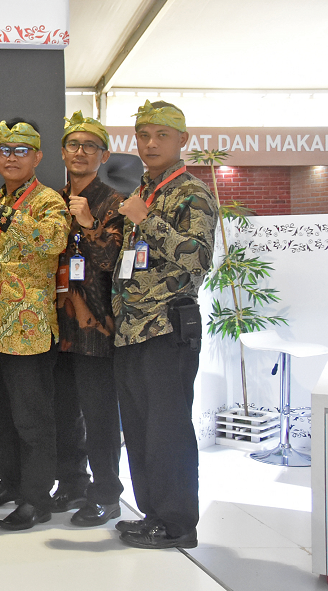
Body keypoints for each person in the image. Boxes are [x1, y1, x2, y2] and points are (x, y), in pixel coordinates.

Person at [112, 100, 217, 549]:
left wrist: (146, 220)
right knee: (139, 430)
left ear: (182, 140)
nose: (150, 144)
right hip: (131, 328)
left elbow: (198, 258)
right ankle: (153, 514)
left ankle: (177, 525)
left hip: (167, 329)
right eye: (143, 135)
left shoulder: (192, 192)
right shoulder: (144, 189)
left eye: (162, 135)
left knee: (168, 431)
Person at [0, 119, 70, 531]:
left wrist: (7, 216)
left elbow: (54, 241)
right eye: (4, 150)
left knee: (32, 418)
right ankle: (9, 483)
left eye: (21, 150)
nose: (11, 158)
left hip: (29, 330)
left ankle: (36, 498)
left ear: (37, 156)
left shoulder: (48, 200)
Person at [52, 112, 126, 526]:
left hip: (96, 325)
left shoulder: (115, 202)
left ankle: (107, 494)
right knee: (63, 412)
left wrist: (88, 224)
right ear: (62, 152)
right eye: (73, 145)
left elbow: (114, 261)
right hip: (56, 324)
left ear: (104, 155)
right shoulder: (51, 200)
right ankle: (72, 483)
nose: (80, 152)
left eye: (90, 146)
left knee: (99, 416)